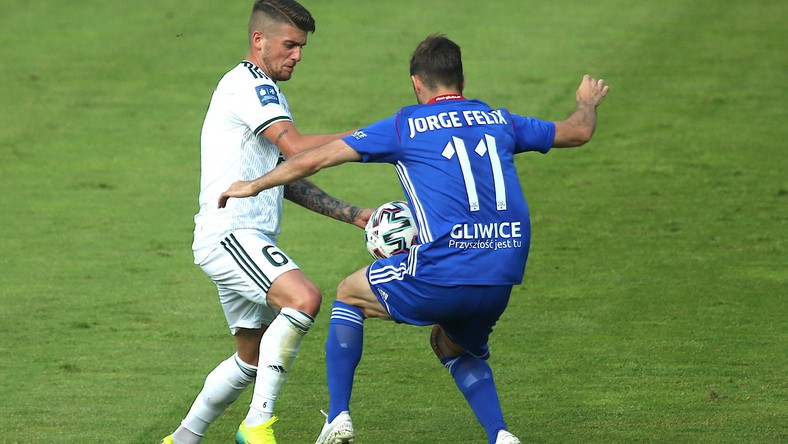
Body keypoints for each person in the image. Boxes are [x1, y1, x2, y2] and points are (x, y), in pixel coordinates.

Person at [219, 34, 609, 444]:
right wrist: (586, 102)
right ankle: (500, 434)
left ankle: (337, 417)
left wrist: (255, 184)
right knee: (451, 345)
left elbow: (316, 157)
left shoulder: (407, 125)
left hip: (445, 268)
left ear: (416, 83)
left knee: (349, 294)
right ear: (462, 80)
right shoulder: (501, 121)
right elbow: (578, 132)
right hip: (502, 272)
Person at [161, 1, 372, 444]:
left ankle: (181, 439)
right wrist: (374, 136)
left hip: (238, 235)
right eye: (290, 45)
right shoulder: (252, 87)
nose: (298, 55)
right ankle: (256, 425)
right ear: (259, 40)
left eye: (302, 47)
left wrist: (354, 214)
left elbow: (282, 175)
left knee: (250, 359)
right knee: (304, 298)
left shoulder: (259, 90)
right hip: (232, 234)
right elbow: (297, 149)